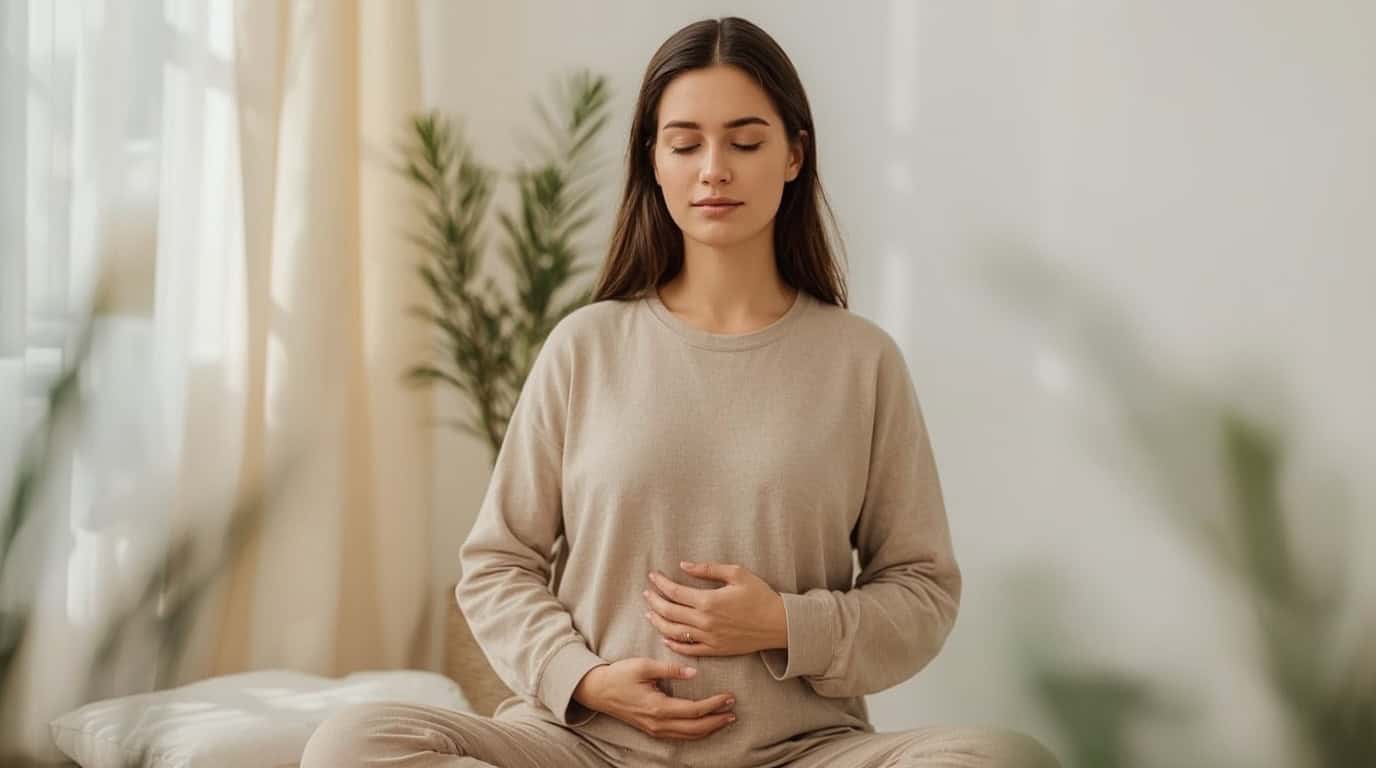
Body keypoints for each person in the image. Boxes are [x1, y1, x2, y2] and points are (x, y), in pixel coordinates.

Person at [302, 15, 1059, 768]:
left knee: (1003, 759)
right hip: (581, 748)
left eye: (746, 140)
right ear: (654, 160)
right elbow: (497, 564)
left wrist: (786, 623)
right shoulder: (585, 346)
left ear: (794, 155)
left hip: (800, 751)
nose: (713, 169)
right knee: (354, 742)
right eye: (686, 142)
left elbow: (924, 590)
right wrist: (586, 680)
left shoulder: (861, 362)